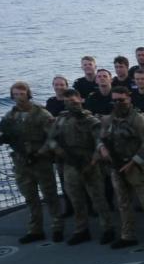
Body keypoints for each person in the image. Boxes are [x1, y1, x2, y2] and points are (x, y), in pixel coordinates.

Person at [45, 87, 115, 246]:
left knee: (98, 199)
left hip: (89, 162)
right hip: (70, 163)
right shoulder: (61, 120)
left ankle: (107, 228)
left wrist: (94, 160)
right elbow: (51, 138)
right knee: (76, 199)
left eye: (74, 102)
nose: (72, 105)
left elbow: (100, 142)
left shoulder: (90, 120)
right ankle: (81, 230)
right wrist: (59, 150)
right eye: (68, 102)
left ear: (81, 100)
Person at [98, 84, 144, 249]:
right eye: (115, 100)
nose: (118, 103)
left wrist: (133, 162)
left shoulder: (138, 120)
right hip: (116, 165)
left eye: (122, 100)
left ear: (129, 99)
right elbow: (100, 137)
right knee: (123, 202)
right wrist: (102, 148)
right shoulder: (110, 119)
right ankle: (127, 235)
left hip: (136, 165)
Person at [0, 81, 59, 243]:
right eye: (15, 94)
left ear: (28, 94)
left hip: (40, 161)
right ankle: (35, 229)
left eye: (22, 94)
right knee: (30, 197)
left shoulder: (41, 114)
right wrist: (0, 136)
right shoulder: (11, 115)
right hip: (21, 162)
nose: (19, 98)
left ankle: (57, 226)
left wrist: (41, 153)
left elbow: (53, 137)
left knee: (50, 195)